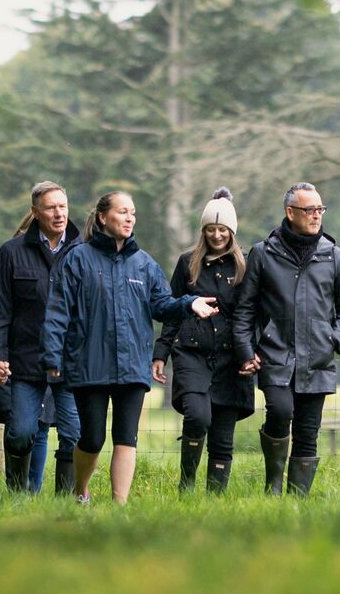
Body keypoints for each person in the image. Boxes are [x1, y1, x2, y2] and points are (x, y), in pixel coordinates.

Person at [41, 187, 215, 504]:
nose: (129, 218)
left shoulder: (143, 264)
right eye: (123, 211)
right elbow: (57, 312)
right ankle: (81, 489)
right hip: (89, 364)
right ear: (103, 217)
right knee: (92, 438)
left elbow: (162, 305)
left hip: (132, 366)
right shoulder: (77, 259)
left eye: (132, 213)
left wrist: (189, 303)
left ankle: (120, 505)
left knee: (126, 438)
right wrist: (53, 357)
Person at [236, 180, 340, 497]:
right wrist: (247, 349)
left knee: (307, 432)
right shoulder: (263, 254)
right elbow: (245, 308)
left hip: (317, 357)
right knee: (279, 411)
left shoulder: (333, 255)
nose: (317, 215)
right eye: (310, 209)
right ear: (291, 212)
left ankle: (297, 500)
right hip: (274, 354)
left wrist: (333, 338)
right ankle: (273, 486)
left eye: (320, 208)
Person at [0, 181, 82, 493]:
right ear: (35, 212)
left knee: (74, 433)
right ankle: (18, 494)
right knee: (21, 432)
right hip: (25, 363)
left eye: (63, 206)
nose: (59, 213)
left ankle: (66, 500)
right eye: (51, 207)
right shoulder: (11, 253)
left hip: (70, 363)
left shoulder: (83, 250)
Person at [154, 188, 256, 492]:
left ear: (232, 231)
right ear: (203, 230)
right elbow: (172, 310)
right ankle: (186, 486)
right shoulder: (188, 263)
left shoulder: (246, 266)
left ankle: (215, 498)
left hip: (231, 357)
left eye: (222, 229)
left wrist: (252, 352)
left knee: (223, 435)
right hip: (192, 353)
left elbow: (252, 313)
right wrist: (160, 353)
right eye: (210, 229)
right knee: (197, 416)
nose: (216, 235)